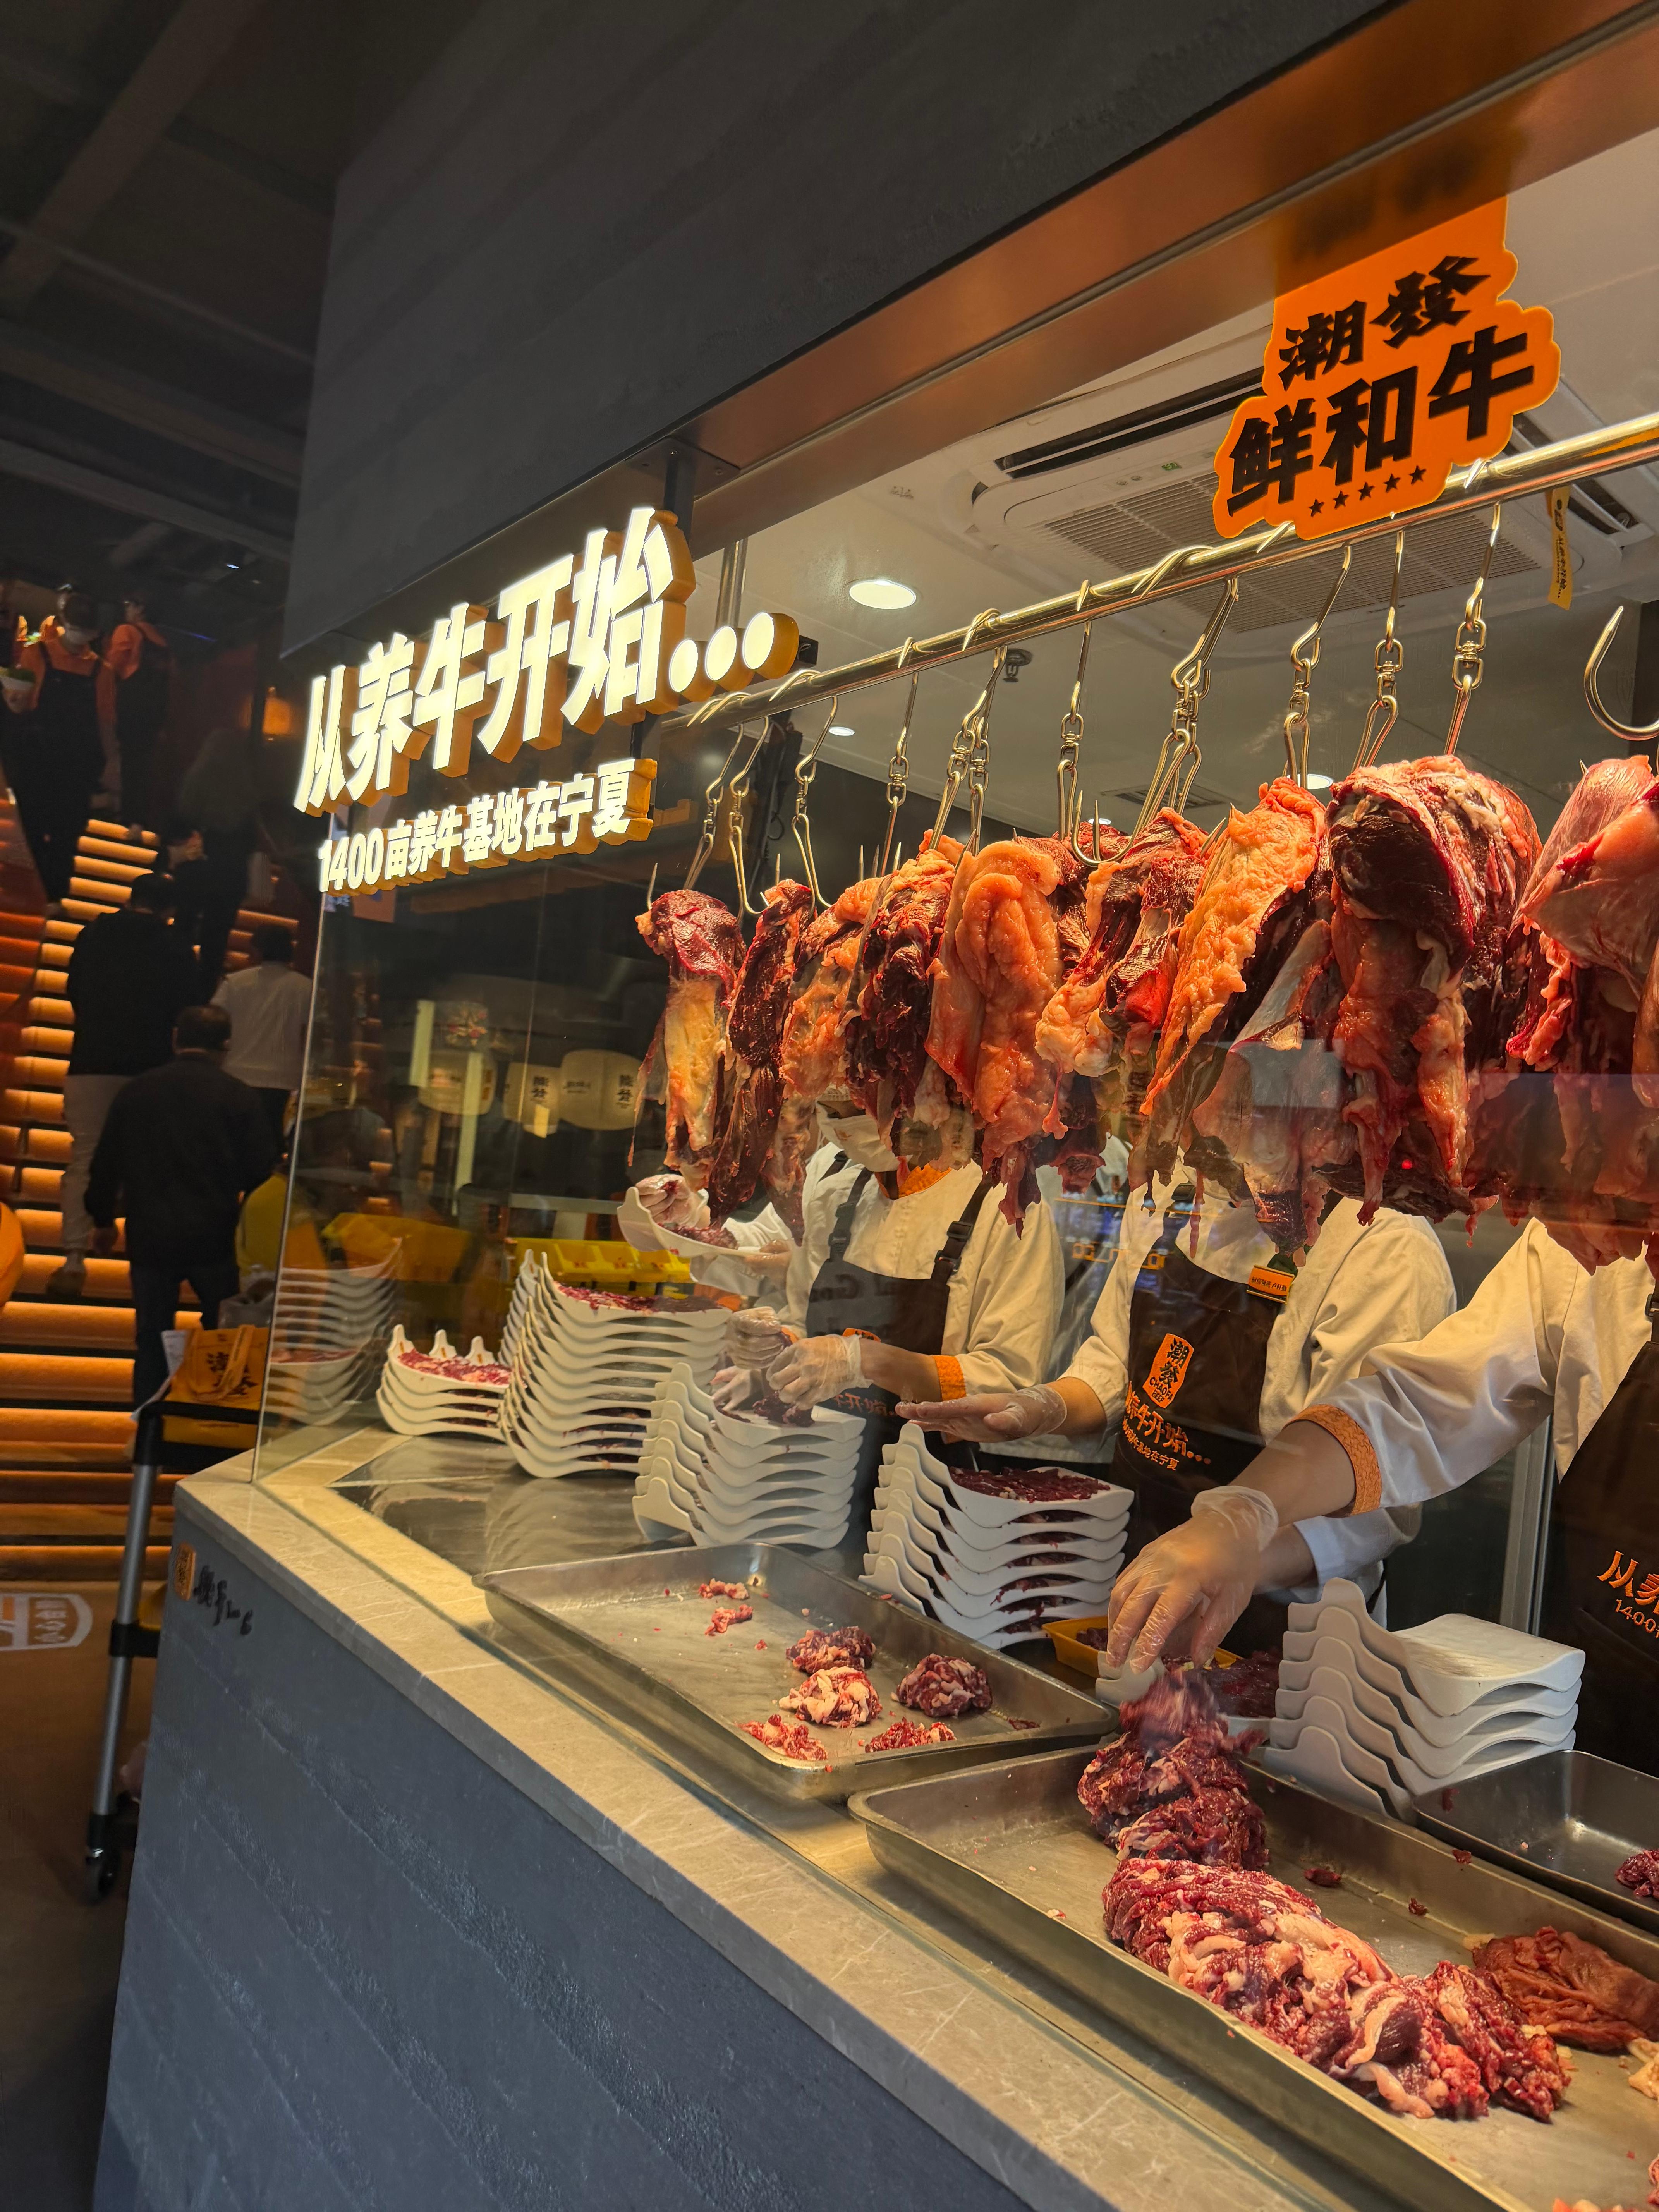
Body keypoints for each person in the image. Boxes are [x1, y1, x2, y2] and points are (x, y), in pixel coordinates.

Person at [1097, 1216, 1659, 1767]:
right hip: (1607, 1721)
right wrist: (1243, 1513)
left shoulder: (1391, 1247)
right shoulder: (1596, 1242)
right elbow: (1423, 1405)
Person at [898, 1176, 1455, 1648]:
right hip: (1128, 1570)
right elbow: (1115, 1361)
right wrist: (1042, 1409)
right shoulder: (1176, 1188)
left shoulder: (1383, 1245)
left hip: (1280, 1627)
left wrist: (1228, 1556)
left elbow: (1375, 1493)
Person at [716, 1109, 1062, 1503]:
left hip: (922, 1490)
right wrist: (774, 1349)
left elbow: (1009, 1380)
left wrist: (865, 1361)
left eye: (855, 1107)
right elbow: (803, 1320)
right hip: (809, 1470)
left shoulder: (1006, 1208)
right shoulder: (837, 1189)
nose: (844, 1123)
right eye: (832, 1110)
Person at [86, 1002, 278, 1405]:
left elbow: (106, 1163)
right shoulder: (238, 1097)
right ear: (227, 1046)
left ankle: (148, 1425)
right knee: (224, 1333)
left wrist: (103, 1219)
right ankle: (212, 1417)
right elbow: (259, 1172)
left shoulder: (137, 1091)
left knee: (151, 1337)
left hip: (150, 1234)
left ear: (176, 1038)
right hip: (216, 1234)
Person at [49, 872, 200, 1299]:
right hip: (150, 1064)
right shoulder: (175, 946)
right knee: (146, 1161)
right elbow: (187, 1007)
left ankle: (73, 1257)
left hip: (90, 1059)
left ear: (131, 898)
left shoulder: (92, 935)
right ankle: (144, 1260)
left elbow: (75, 990)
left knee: (85, 1156)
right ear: (170, 909)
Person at [3, 590, 106, 915]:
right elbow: (21, 705)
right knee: (31, 827)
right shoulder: (37, 654)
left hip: (76, 766)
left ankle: (53, 895)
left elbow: (105, 724)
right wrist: (14, 703)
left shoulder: (102, 671)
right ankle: (34, 893)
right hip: (36, 758)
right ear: (64, 622)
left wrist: (109, 772)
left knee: (66, 834)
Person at [168, 725, 260, 994]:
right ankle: (205, 992)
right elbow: (251, 841)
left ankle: (176, 984)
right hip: (230, 874)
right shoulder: (245, 789)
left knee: (184, 926)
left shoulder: (196, 780)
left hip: (197, 866)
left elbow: (180, 820)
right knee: (217, 937)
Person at [213, 922, 313, 1147]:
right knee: (269, 1141)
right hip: (283, 1077)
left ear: (257, 949)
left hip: (235, 1072)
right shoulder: (306, 988)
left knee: (231, 1141)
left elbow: (214, 1019)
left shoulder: (235, 983)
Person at [96, 590, 171, 832]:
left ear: (141, 609)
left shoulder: (127, 631)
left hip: (127, 708)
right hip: (152, 717)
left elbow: (111, 669)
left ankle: (112, 812)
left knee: (115, 758)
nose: (126, 609)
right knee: (141, 767)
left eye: (130, 605)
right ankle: (135, 819)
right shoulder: (163, 643)